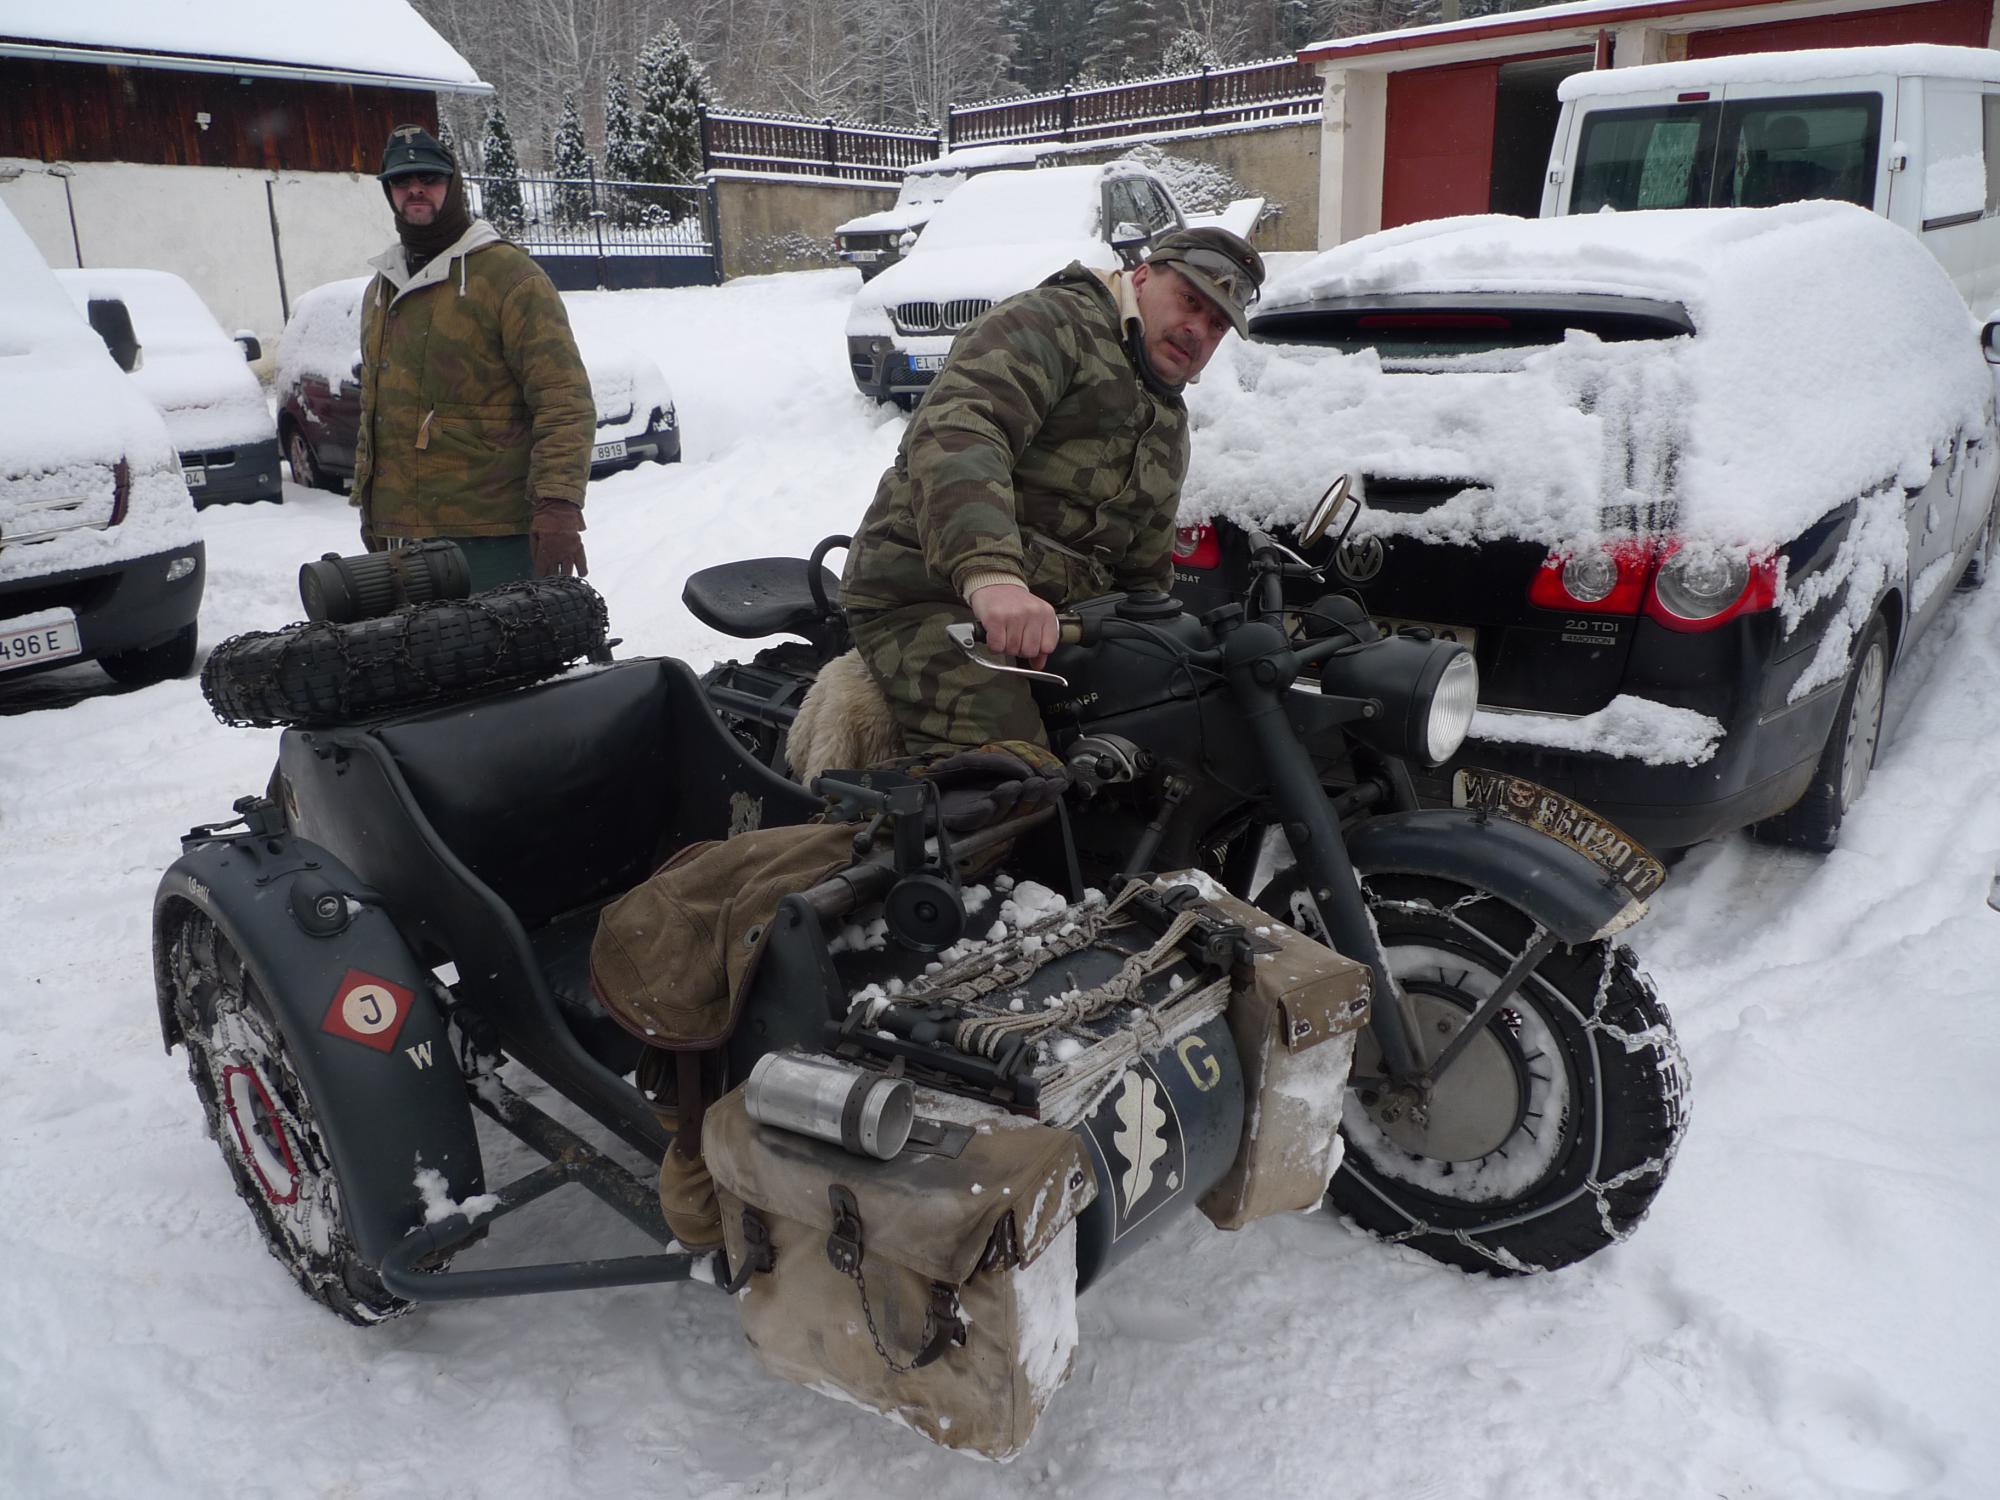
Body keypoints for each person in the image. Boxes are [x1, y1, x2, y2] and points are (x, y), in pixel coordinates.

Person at [836, 226, 1266, 758]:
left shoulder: (1167, 420)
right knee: (1014, 776)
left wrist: (1169, 638)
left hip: (1054, 626)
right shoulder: (1052, 323)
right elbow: (962, 432)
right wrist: (993, 578)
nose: (1198, 330)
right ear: (1141, 278)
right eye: (1189, 300)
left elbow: (1145, 569)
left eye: (1217, 324)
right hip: (931, 595)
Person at [352, 124, 595, 589]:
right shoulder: (381, 289)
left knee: (504, 640)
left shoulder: (510, 277)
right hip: (402, 538)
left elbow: (564, 400)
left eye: (429, 178)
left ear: (454, 184)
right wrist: (373, 510)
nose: (415, 189)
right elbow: (374, 409)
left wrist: (558, 506)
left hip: (492, 537)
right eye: (401, 180)